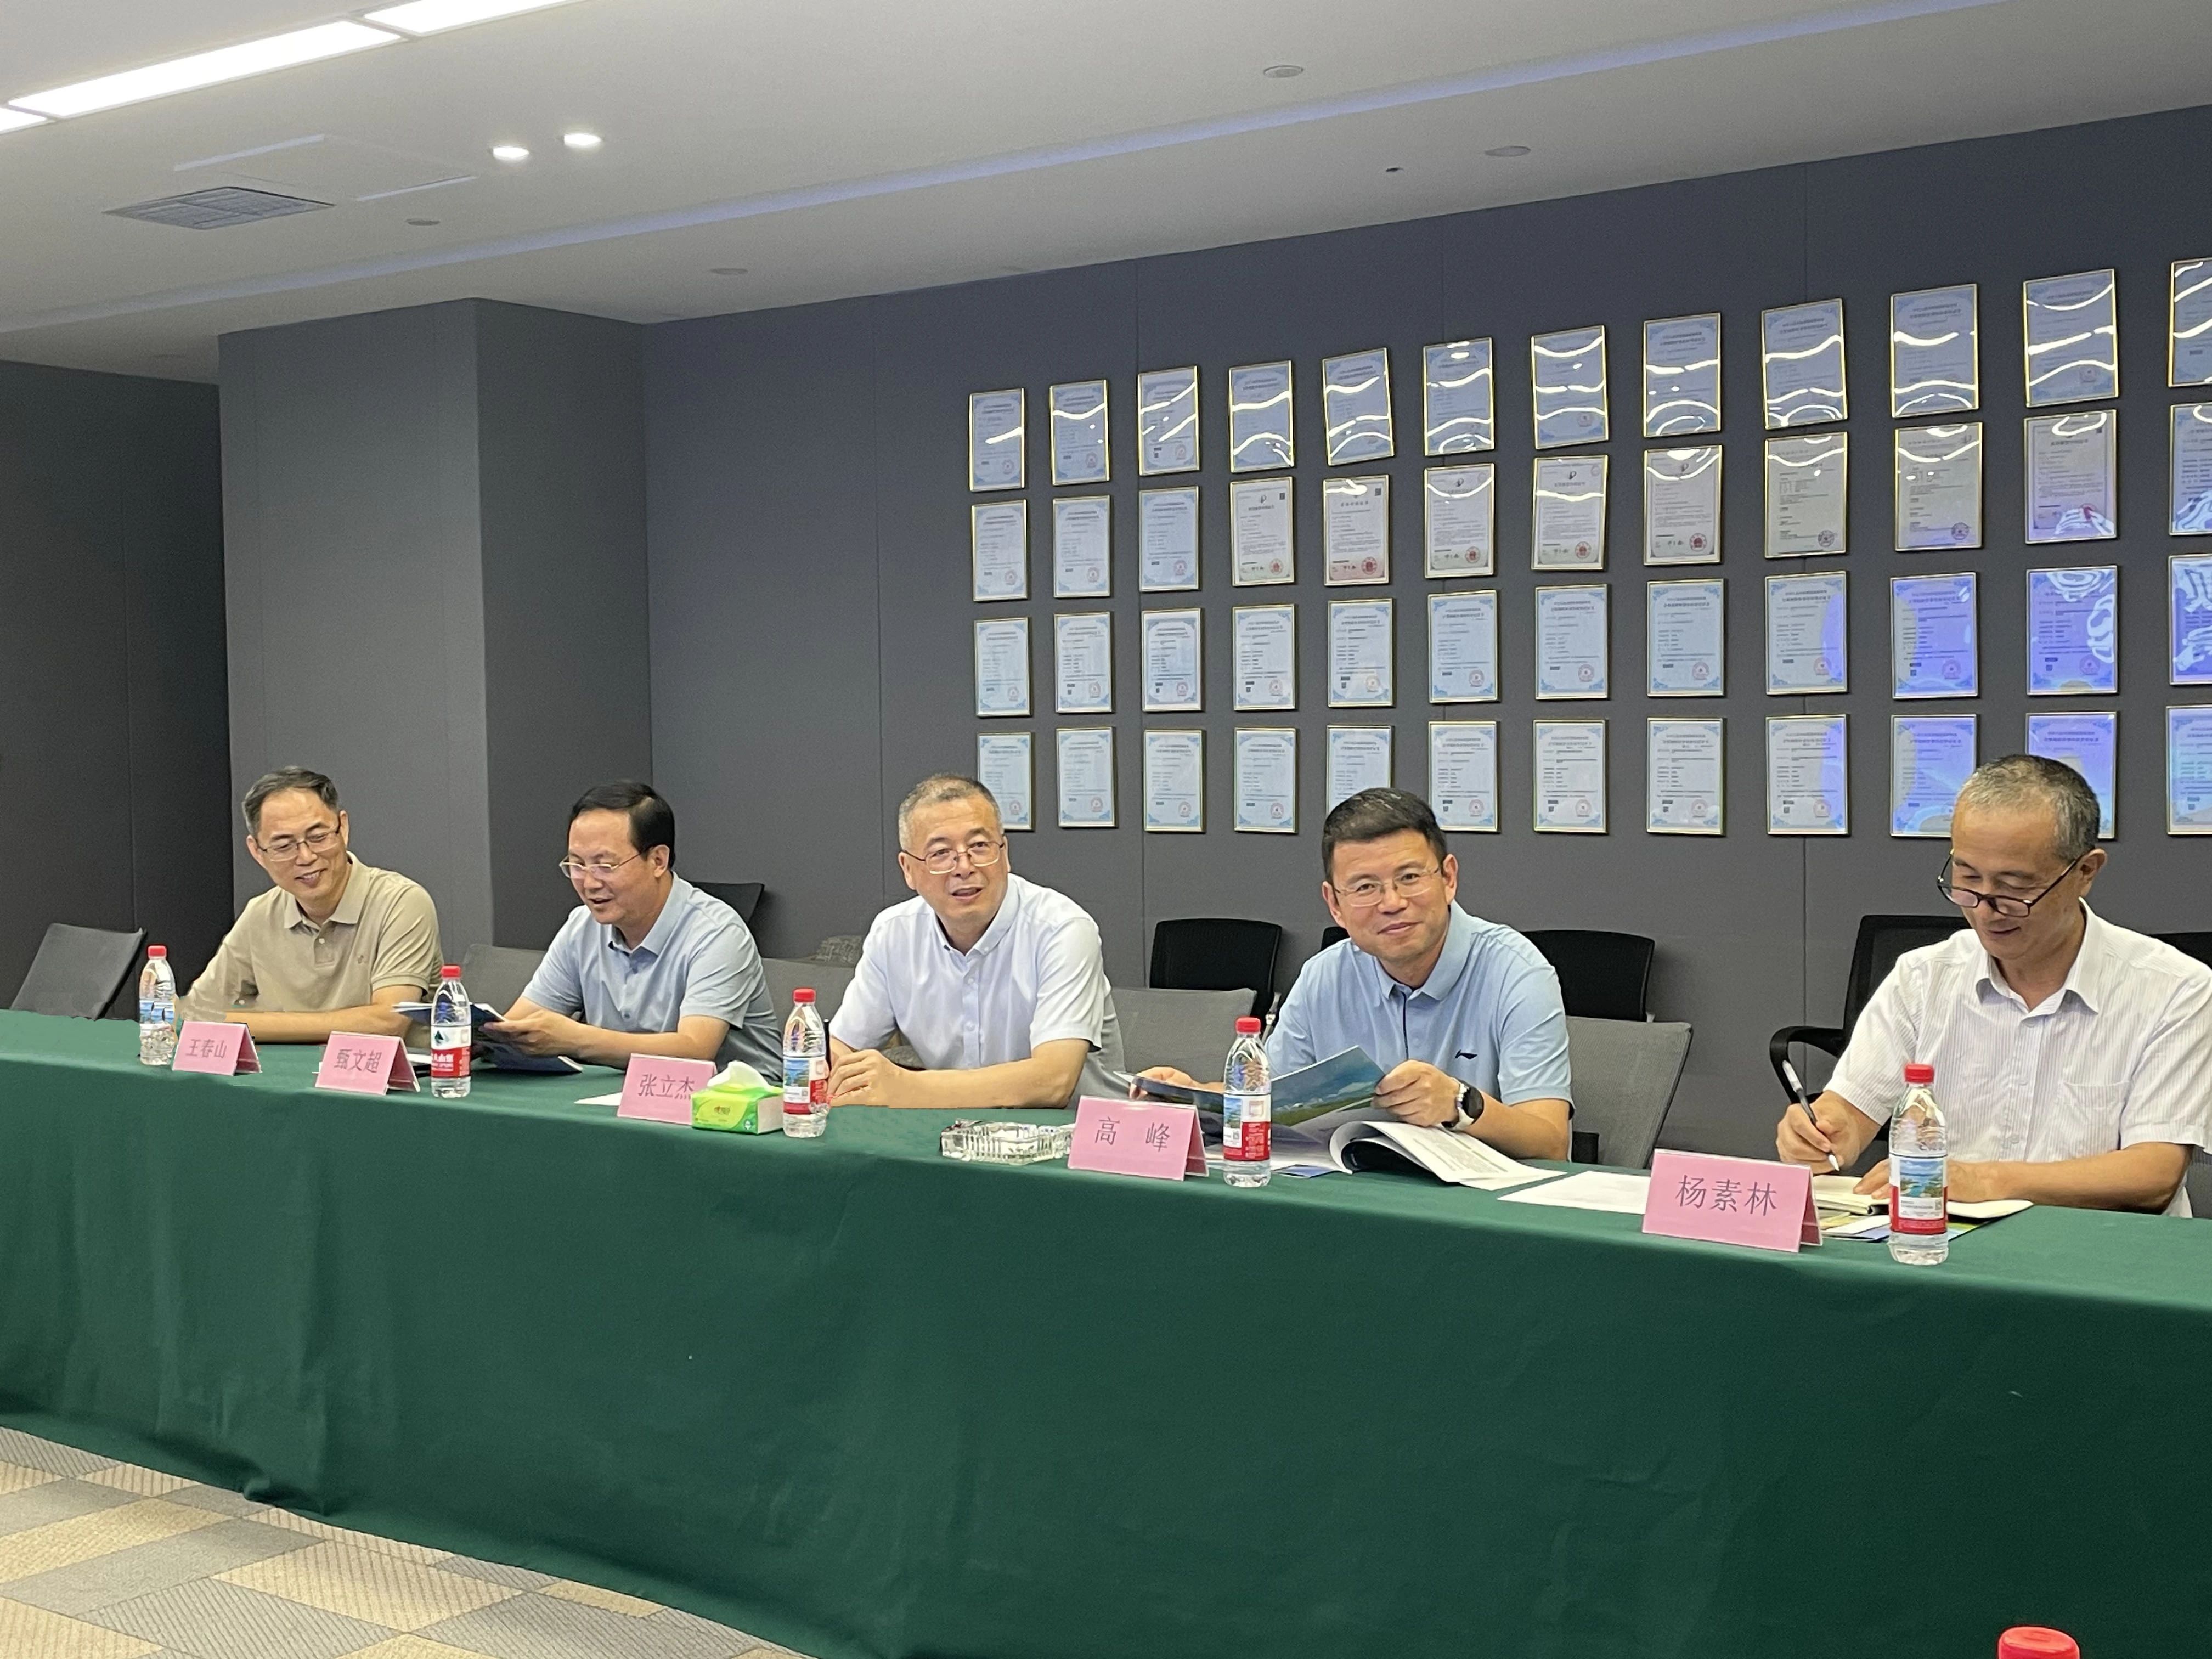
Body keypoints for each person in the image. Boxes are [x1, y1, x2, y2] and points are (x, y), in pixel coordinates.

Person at [1777, 754, 2211, 1215]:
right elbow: (1851, 1109)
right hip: (1944, 1241)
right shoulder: (1923, 978)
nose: (1985, 909)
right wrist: (1826, 1130)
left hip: (2100, 1245)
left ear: (2085, 872)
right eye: (1967, 877)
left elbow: (2153, 1174)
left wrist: (1981, 1179)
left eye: (2014, 886)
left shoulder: (2173, 989)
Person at [1135, 788, 1572, 1159]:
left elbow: (1551, 1141)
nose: (1392, 903)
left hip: (1481, 1208)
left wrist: (1461, 1105)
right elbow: (1274, 1101)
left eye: (1409, 877)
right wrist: (1191, 1096)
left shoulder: (1517, 972)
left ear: (1448, 878)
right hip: (1355, 1192)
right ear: (1335, 904)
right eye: (1365, 887)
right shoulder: (1324, 976)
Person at [827, 774, 1121, 1108]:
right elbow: (842, 1049)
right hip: (953, 1132)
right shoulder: (894, 933)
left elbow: (1053, 1082)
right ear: (908, 869)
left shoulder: (1062, 929)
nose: (964, 867)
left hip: (1079, 1132)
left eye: (980, 846)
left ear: (1005, 853)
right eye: (941, 853)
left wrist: (905, 1086)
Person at [487, 781, 780, 1073]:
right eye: (577, 865)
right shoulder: (581, 927)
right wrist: (484, 1037)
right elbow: (520, 1022)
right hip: (622, 1092)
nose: (589, 883)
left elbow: (695, 1049)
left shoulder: (717, 934)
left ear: (658, 861)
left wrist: (576, 1039)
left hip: (736, 1097)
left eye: (605, 866)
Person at [179, 768, 441, 1041]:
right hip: (285, 1069)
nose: (305, 857)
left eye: (318, 837)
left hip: (386, 1069)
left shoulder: (400, 902)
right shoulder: (260, 914)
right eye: (283, 846)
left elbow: (388, 1021)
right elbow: (196, 1012)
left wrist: (241, 1023)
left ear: (343, 828)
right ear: (257, 852)